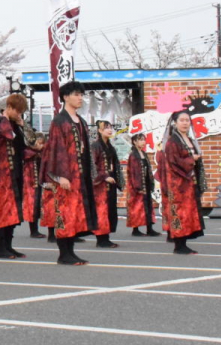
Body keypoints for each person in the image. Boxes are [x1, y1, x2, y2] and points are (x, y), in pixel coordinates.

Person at [41, 81, 97, 265]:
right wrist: (60, 175)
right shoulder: (59, 121)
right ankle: (63, 254)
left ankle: (71, 252)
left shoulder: (81, 121)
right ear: (65, 97)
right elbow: (55, 149)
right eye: (76, 94)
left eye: (81, 95)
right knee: (64, 213)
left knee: (76, 214)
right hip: (66, 177)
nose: (80, 98)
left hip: (80, 176)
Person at [0, 94, 30, 259]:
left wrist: (23, 126)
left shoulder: (16, 124)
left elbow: (29, 143)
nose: (19, 115)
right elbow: (5, 136)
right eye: (17, 111)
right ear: (9, 107)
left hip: (15, 170)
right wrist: (5, 118)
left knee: (13, 209)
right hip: (0, 173)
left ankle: (9, 246)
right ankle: (0, 247)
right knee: (1, 209)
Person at [156, 110, 206, 254]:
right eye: (182, 120)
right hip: (178, 183)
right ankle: (179, 245)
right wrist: (192, 159)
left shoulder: (188, 139)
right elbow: (174, 162)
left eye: (187, 120)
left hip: (189, 181)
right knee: (179, 213)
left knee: (188, 213)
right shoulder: (172, 141)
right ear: (175, 123)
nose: (185, 123)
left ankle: (183, 243)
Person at [90, 120, 123, 249]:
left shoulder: (110, 146)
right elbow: (92, 166)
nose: (109, 130)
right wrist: (104, 176)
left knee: (109, 210)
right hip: (100, 185)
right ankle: (101, 239)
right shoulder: (95, 146)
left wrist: (117, 179)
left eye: (110, 127)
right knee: (101, 211)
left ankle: (106, 238)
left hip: (110, 183)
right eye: (106, 128)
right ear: (99, 130)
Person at [126, 133, 159, 237]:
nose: (143, 142)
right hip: (137, 186)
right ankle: (135, 230)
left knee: (148, 206)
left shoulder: (143, 153)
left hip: (146, 183)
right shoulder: (133, 155)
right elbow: (133, 172)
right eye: (140, 140)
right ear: (134, 142)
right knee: (137, 207)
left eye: (144, 140)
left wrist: (151, 183)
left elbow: (148, 169)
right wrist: (138, 186)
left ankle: (150, 228)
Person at [23, 128, 47, 239]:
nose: (40, 145)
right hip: (31, 183)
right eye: (38, 142)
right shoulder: (28, 152)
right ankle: (33, 231)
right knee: (33, 206)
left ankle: (36, 230)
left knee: (39, 206)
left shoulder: (43, 153)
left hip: (41, 182)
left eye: (42, 143)